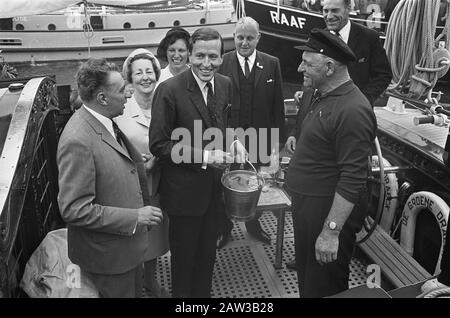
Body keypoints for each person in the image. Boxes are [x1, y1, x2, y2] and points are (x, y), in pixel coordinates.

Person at [284, 0, 392, 270]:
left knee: (324, 283)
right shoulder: (321, 94)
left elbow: (353, 177)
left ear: (330, 68)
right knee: (309, 277)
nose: (299, 70)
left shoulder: (353, 111)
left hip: (325, 211)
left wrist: (331, 231)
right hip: (309, 206)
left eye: (307, 64)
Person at [149, 27, 247, 298]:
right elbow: (159, 144)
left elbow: (226, 125)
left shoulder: (226, 84)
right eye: (200, 56)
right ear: (190, 55)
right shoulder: (168, 90)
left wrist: (234, 141)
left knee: (207, 261)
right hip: (184, 197)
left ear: (222, 57)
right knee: (183, 265)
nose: (207, 64)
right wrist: (205, 157)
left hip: (215, 193)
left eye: (213, 57)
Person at [57, 58, 163, 298]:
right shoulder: (77, 140)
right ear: (102, 99)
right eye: (121, 90)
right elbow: (74, 209)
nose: (128, 94)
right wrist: (136, 216)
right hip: (109, 261)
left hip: (125, 252)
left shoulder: (102, 122)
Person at [216, 16, 285, 249]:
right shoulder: (222, 62)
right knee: (225, 182)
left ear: (258, 38)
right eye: (240, 37)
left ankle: (254, 225)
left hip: (260, 138)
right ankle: (224, 229)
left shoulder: (272, 62)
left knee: (255, 184)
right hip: (228, 139)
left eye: (249, 38)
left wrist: (276, 145)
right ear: (234, 37)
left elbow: (277, 105)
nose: (244, 43)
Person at [115, 48, 169, 298]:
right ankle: (135, 285)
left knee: (156, 235)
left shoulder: (165, 102)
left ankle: (150, 280)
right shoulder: (120, 110)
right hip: (131, 184)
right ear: (130, 77)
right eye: (139, 73)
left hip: (161, 182)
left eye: (149, 71)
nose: (145, 77)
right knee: (133, 236)